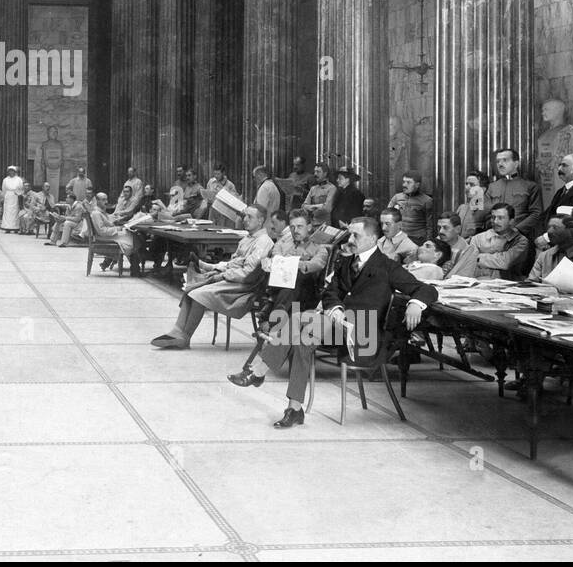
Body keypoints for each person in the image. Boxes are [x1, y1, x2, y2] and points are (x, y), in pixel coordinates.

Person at [230, 215, 438, 428]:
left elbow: (426, 289)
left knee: (306, 325)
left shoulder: (387, 266)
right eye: (350, 234)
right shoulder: (346, 261)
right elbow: (331, 292)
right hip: (334, 326)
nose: (351, 239)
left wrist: (415, 304)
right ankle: (294, 408)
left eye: (356, 235)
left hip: (363, 334)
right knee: (301, 332)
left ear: (373, 238)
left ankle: (259, 371)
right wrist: (336, 308)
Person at [150, 204, 273, 349]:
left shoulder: (263, 242)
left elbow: (248, 273)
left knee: (199, 294)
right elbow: (234, 263)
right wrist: (217, 272)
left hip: (243, 288)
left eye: (249, 217)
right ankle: (177, 331)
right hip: (233, 280)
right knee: (191, 289)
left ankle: (185, 337)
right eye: (245, 215)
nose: (245, 219)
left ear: (260, 220)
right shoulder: (248, 238)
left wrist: (221, 276)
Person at [484, 147, 543, 242]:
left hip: (521, 238)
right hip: (495, 239)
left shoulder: (530, 186)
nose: (500, 164)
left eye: (505, 160)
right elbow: (486, 213)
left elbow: (536, 214)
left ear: (516, 164)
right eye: (498, 161)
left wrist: (516, 230)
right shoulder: (492, 187)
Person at [528, 216, 573, 282]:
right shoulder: (544, 256)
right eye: (549, 227)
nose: (549, 231)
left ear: (571, 230)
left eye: (555, 227)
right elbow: (531, 283)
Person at [471, 202, 531, 279]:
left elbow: (505, 262)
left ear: (511, 221)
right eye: (493, 217)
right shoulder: (477, 238)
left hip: (509, 284)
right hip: (480, 282)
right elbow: (470, 262)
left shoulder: (521, 241)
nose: (495, 221)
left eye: (500, 218)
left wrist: (479, 257)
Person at [87, 193, 139, 271]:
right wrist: (117, 229)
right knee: (133, 237)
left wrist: (117, 220)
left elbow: (107, 221)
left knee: (130, 234)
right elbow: (102, 231)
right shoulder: (96, 213)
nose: (106, 202)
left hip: (108, 235)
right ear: (97, 200)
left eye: (106, 199)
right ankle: (135, 268)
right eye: (103, 200)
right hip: (103, 237)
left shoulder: (100, 211)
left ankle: (135, 267)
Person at [387, 170, 432, 244]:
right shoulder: (396, 198)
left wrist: (428, 242)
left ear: (417, 185)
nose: (404, 185)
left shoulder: (427, 200)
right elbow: (387, 217)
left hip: (417, 240)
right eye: (404, 182)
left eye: (408, 182)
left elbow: (430, 225)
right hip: (399, 240)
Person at [436, 213, 479, 278]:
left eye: (445, 228)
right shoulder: (431, 245)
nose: (440, 231)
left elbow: (463, 279)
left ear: (458, 229)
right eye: (439, 228)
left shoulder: (469, 252)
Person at [455, 170, 490, 239]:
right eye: (466, 184)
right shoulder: (461, 208)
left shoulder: (488, 210)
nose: (467, 187)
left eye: (472, 185)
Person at [0, 165, 25, 233]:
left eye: (13, 171)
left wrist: (18, 195)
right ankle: (7, 227)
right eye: (10, 171)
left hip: (15, 196)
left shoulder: (19, 179)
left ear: (15, 172)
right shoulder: (5, 180)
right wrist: (4, 197)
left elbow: (21, 188)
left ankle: (15, 227)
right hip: (8, 196)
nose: (11, 172)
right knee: (7, 212)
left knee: (15, 211)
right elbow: (3, 189)